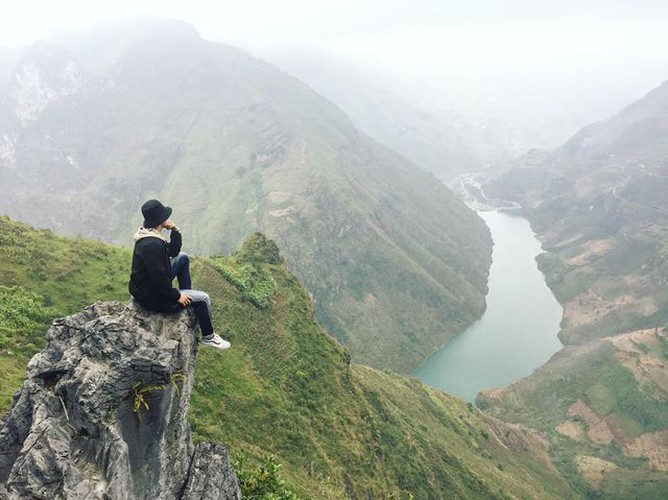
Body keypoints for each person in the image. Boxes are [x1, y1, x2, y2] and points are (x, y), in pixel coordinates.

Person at [129, 199, 230, 349]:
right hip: (151, 295)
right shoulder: (152, 245)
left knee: (182, 257)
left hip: (149, 286)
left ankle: (187, 295)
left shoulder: (150, 235)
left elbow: (173, 252)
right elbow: (159, 278)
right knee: (203, 299)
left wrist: (175, 230)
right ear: (161, 219)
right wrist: (177, 296)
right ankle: (209, 336)